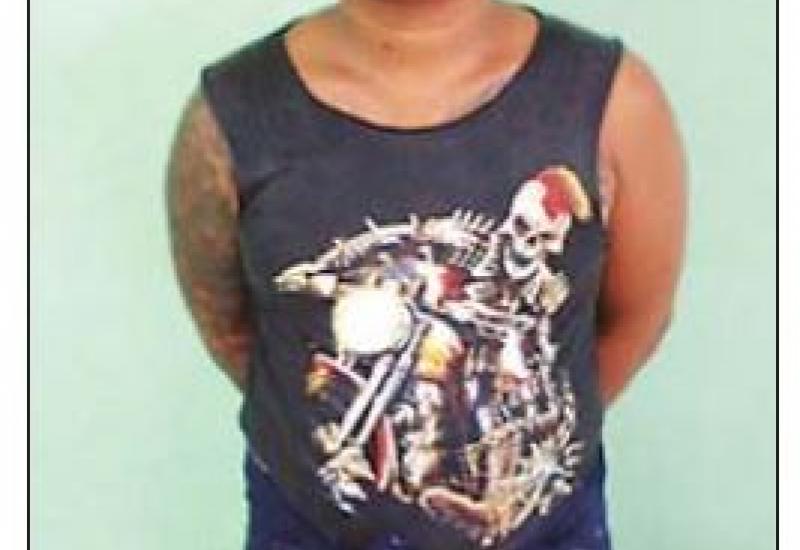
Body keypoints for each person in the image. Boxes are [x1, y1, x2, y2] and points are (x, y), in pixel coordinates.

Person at [166, 1, 686, 548]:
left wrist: (539, 431)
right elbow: (229, 328)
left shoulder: (613, 102)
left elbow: (637, 318)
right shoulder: (232, 116)